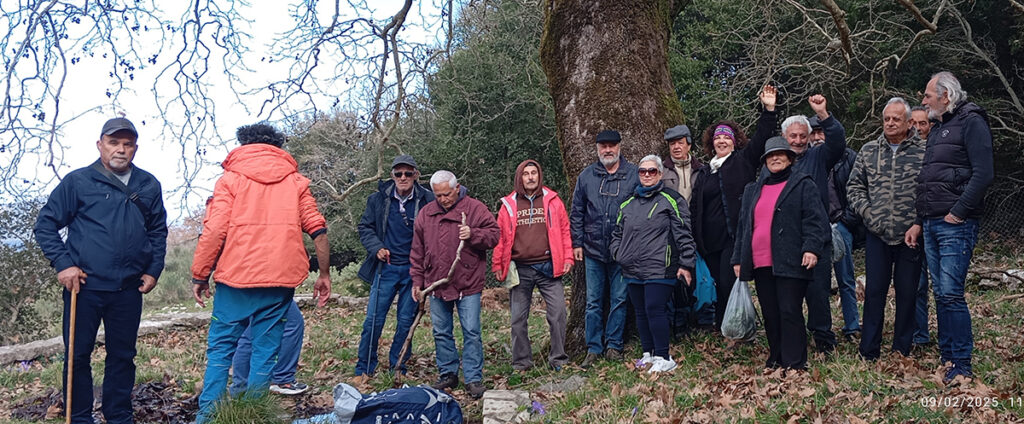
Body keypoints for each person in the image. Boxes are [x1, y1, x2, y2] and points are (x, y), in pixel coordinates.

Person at [191, 123, 332, 422]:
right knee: (266, 352)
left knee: (220, 351)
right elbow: (318, 230)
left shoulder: (230, 179)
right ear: (278, 147)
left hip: (235, 280)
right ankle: (252, 415)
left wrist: (200, 275)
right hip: (281, 280)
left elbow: (215, 229)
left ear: (243, 145)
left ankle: (207, 418)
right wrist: (324, 274)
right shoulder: (295, 182)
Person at [34, 117, 168, 424]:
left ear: (135, 148)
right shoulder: (78, 181)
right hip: (85, 287)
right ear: (100, 145)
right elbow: (46, 224)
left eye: (127, 144)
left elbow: (158, 231)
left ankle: (119, 415)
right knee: (78, 356)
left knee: (122, 356)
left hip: (129, 289)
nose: (121, 150)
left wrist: (154, 269)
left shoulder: (148, 184)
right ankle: (80, 417)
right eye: (114, 143)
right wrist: (64, 264)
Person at [915, 71, 994, 383]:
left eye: (928, 95)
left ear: (945, 96)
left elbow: (984, 173)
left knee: (951, 293)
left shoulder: (972, 121)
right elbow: (929, 179)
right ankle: (947, 357)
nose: (923, 101)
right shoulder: (939, 128)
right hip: (932, 223)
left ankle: (961, 363)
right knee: (941, 293)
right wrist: (919, 221)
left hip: (954, 225)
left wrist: (958, 213)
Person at [732, 137, 829, 371]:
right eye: (770, 155)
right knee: (770, 312)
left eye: (780, 154)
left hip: (791, 258)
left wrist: (811, 248)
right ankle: (776, 357)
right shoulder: (753, 189)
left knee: (789, 309)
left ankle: (795, 362)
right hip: (761, 260)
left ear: (790, 158)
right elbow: (743, 226)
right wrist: (738, 258)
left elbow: (815, 220)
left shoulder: (803, 184)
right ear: (765, 161)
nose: (775, 158)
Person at [690, 85, 778, 332]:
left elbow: (762, 137)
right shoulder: (706, 171)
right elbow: (697, 205)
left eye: (726, 137)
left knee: (730, 283)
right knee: (719, 284)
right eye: (717, 137)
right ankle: (723, 328)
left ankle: (736, 331)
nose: (721, 140)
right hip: (710, 242)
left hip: (734, 237)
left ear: (734, 141)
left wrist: (768, 110)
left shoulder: (743, 160)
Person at [847, 97, 926, 360]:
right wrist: (869, 214)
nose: (890, 123)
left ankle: (902, 348)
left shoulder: (924, 152)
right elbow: (854, 187)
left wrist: (918, 222)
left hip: (910, 236)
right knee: (875, 292)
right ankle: (869, 349)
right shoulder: (869, 151)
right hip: (877, 234)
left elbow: (930, 191)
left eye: (896, 119)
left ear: (908, 122)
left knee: (907, 292)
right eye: (887, 119)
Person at [410, 170, 499, 399]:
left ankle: (473, 378)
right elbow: (417, 251)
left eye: (447, 194)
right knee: (441, 332)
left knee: (471, 331)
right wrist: (417, 281)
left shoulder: (475, 208)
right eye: (438, 196)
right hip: (436, 284)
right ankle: (448, 373)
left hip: (468, 282)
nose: (443, 199)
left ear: (457, 188)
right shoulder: (426, 214)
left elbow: (494, 235)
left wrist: (473, 234)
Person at [610, 155, 695, 373]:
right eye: (642, 171)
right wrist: (617, 253)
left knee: (654, 308)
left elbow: (683, 233)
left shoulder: (671, 199)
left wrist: (686, 263)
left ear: (660, 174)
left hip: (661, 266)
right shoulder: (628, 202)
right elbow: (617, 232)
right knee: (640, 311)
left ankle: (663, 356)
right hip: (631, 268)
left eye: (652, 171)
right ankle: (648, 353)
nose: (647, 175)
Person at [354, 155, 434, 381]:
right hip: (385, 268)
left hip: (414, 271)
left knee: (406, 321)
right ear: (392, 176)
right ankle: (364, 369)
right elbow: (365, 228)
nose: (403, 177)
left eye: (408, 173)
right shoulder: (378, 199)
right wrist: (376, 247)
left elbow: (452, 201)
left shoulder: (428, 199)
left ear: (416, 175)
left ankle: (397, 368)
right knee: (373, 320)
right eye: (398, 173)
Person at [779, 94, 848, 354]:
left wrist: (823, 114)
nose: (797, 141)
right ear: (785, 137)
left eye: (801, 136)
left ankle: (823, 338)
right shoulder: (775, 162)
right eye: (792, 136)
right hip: (786, 239)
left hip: (817, 236)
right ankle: (795, 337)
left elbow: (838, 142)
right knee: (788, 294)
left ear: (808, 137)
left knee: (818, 292)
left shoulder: (819, 156)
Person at [492, 160, 573, 371]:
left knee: (558, 315)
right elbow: (500, 238)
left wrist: (567, 258)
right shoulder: (508, 204)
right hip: (520, 269)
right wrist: (497, 264)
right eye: (526, 174)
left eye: (534, 173)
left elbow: (565, 231)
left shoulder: (553, 200)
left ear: (539, 175)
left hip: (549, 267)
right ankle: (521, 362)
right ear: (519, 177)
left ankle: (558, 359)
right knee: (518, 319)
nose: (530, 177)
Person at [569, 130, 639, 367]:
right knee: (593, 301)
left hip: (622, 250)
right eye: (603, 146)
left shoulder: (633, 175)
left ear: (619, 147)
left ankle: (614, 346)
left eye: (611, 146)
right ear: (597, 149)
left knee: (620, 299)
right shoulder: (587, 176)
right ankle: (593, 347)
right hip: (593, 250)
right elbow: (577, 211)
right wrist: (576, 243)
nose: (607, 150)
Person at [660, 125, 705, 336]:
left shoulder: (701, 169)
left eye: (680, 142)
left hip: (696, 229)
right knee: (673, 275)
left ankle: (693, 319)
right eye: (672, 144)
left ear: (689, 144)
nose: (676, 147)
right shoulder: (661, 170)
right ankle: (675, 323)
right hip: (669, 231)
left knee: (693, 276)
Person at [231, 301, 308, 395]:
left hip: (241, 289)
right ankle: (281, 379)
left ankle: (242, 386)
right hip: (266, 287)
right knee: (291, 322)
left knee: (250, 329)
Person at [826, 135, 861, 342]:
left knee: (845, 278)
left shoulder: (848, 158)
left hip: (841, 225)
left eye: (823, 132)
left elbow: (859, 189)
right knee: (817, 282)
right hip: (817, 227)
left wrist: (847, 220)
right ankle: (823, 327)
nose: (819, 136)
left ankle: (852, 326)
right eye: (815, 132)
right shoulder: (809, 158)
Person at [909, 105, 935, 348]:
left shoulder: (939, 150)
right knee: (917, 284)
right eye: (914, 123)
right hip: (913, 227)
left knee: (942, 285)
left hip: (938, 223)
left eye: (923, 123)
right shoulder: (906, 152)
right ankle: (920, 334)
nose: (918, 128)